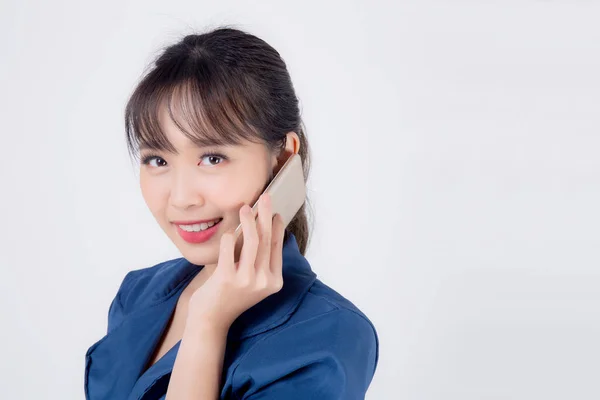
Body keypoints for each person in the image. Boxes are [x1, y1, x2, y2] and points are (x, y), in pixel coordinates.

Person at [84, 25, 379, 400]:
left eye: (212, 158)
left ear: (284, 157)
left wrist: (208, 323)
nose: (181, 198)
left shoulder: (328, 335)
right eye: (157, 159)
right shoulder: (139, 294)